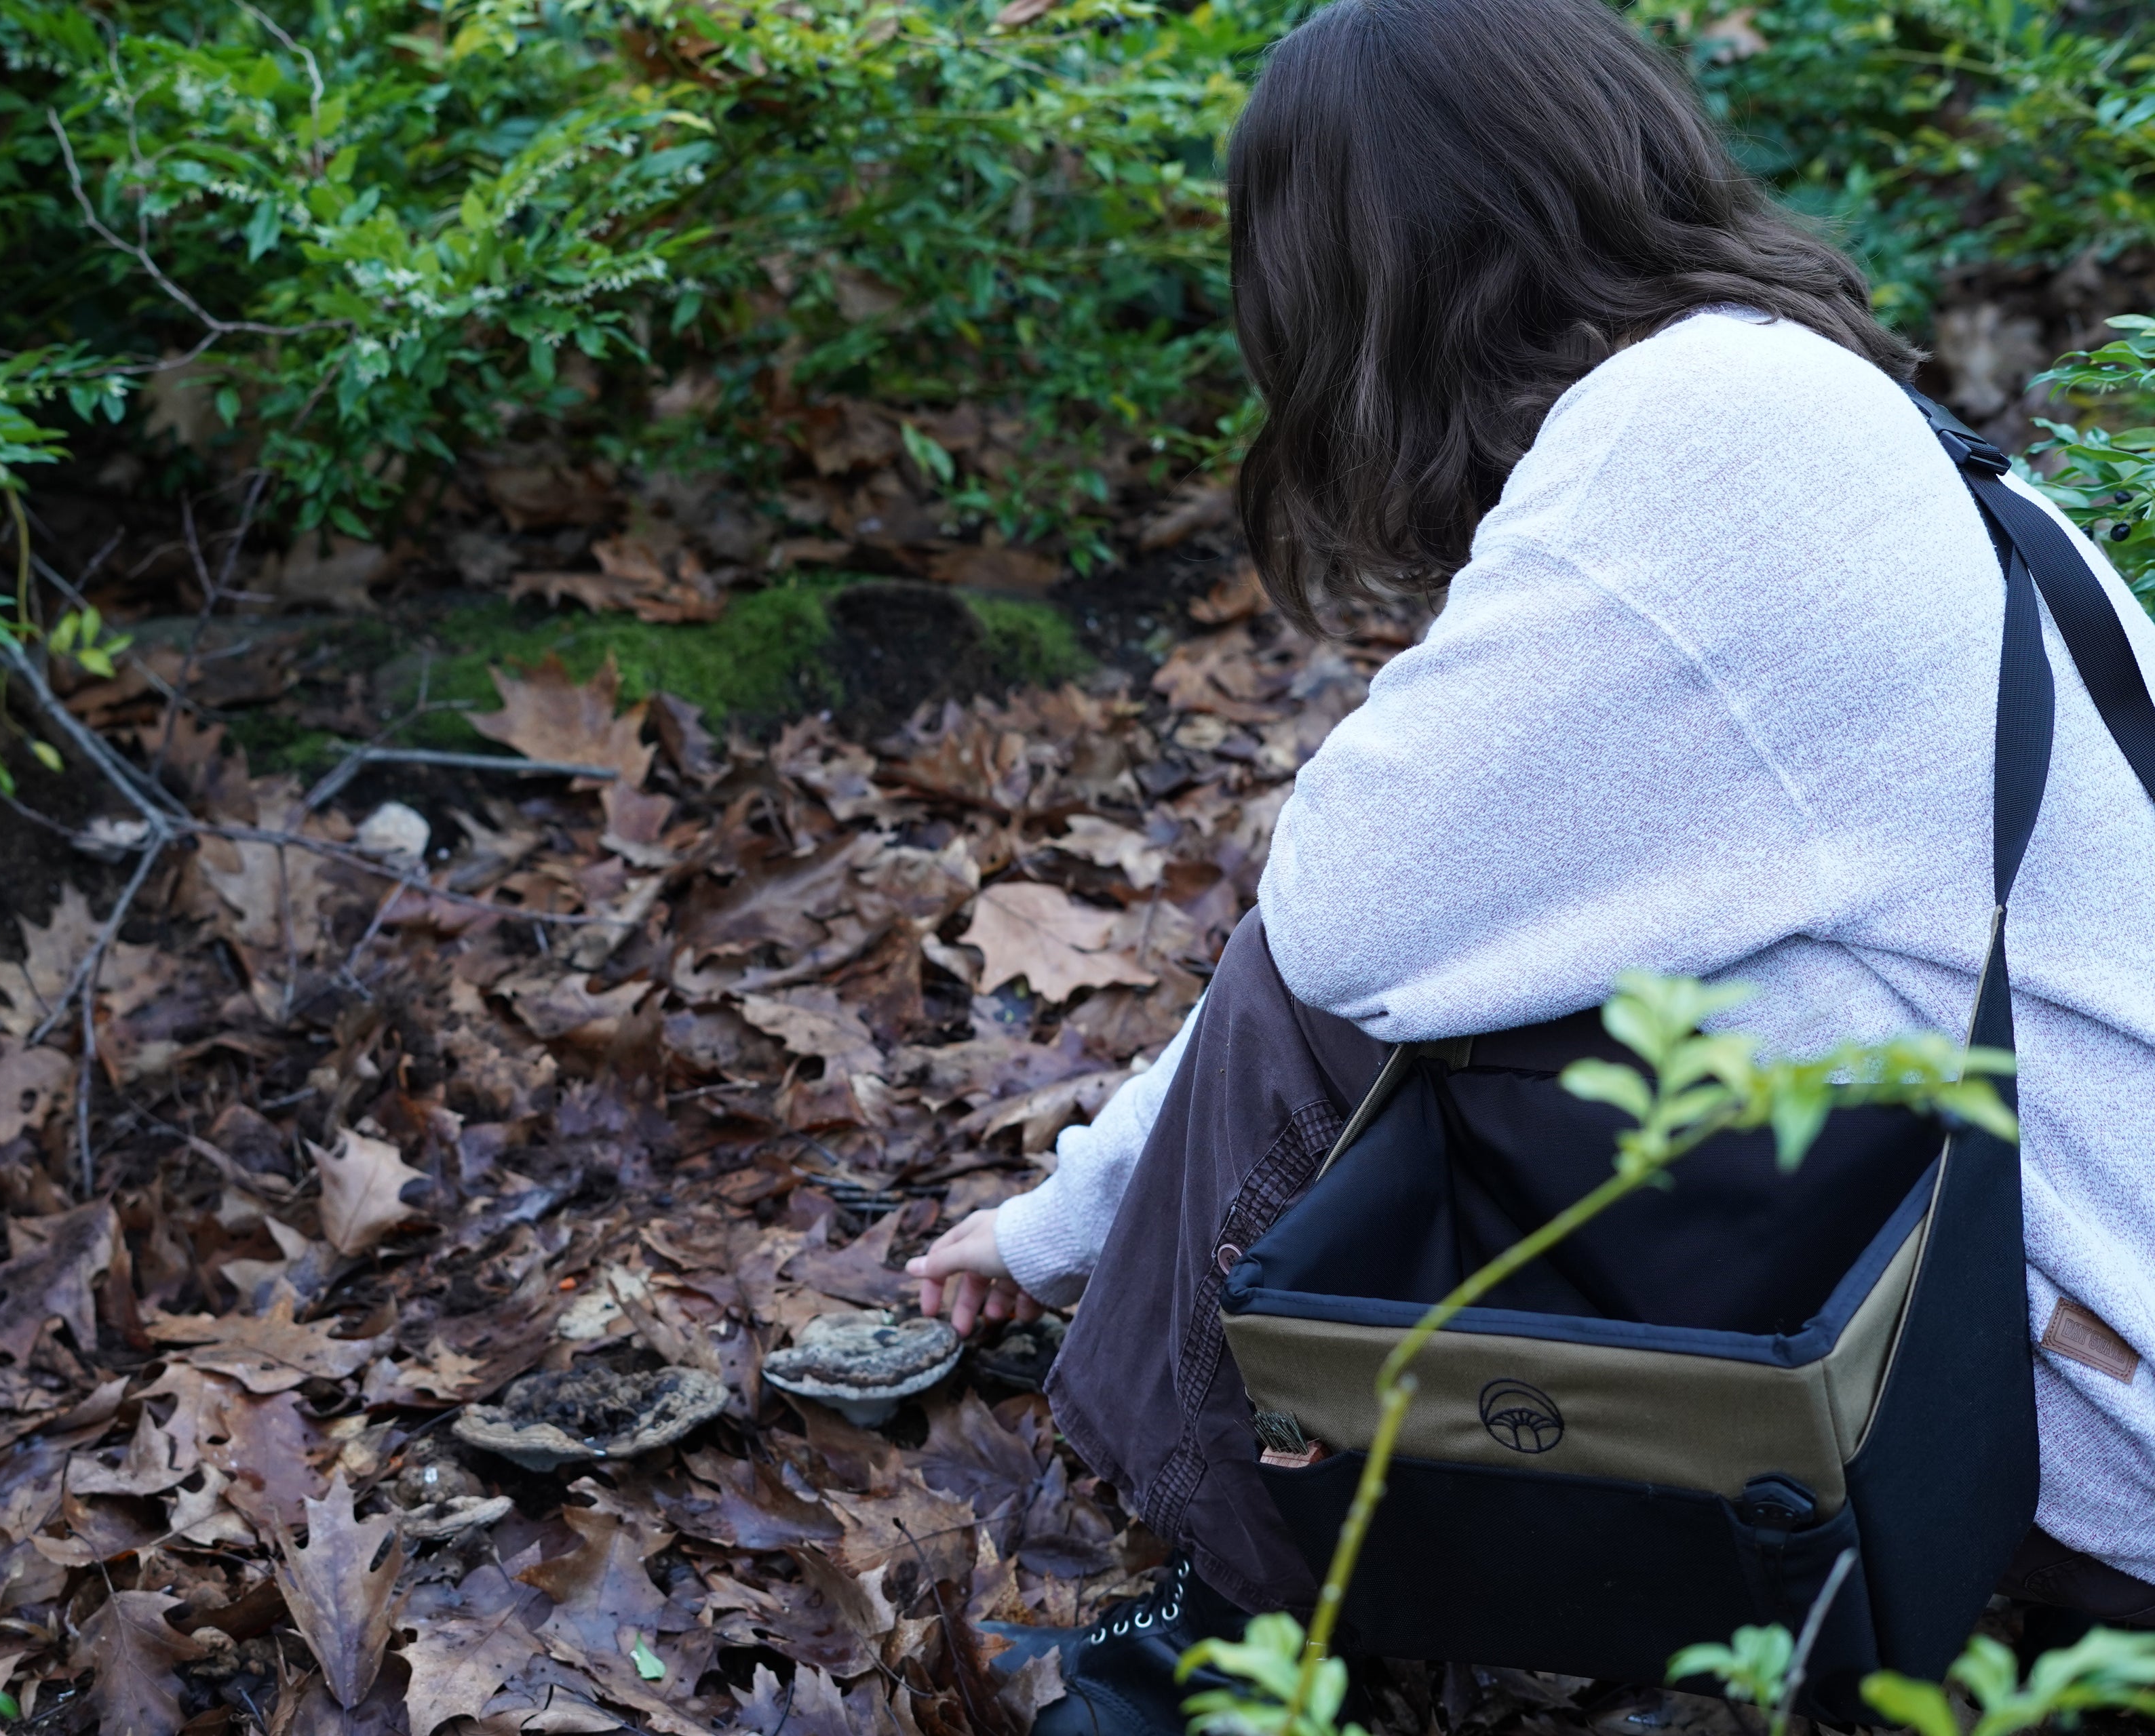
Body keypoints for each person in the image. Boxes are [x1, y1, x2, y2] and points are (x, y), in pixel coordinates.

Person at [908, 0, 2155, 1729]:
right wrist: (1068, 1212)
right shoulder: (1809, 407)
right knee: (1492, 957)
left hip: (2090, 1386)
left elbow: (1341, 926)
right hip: (2067, 1309)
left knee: (1408, 990)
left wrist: (1091, 1212)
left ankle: (1227, 1638)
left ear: (1360, 273)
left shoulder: (1697, 430)